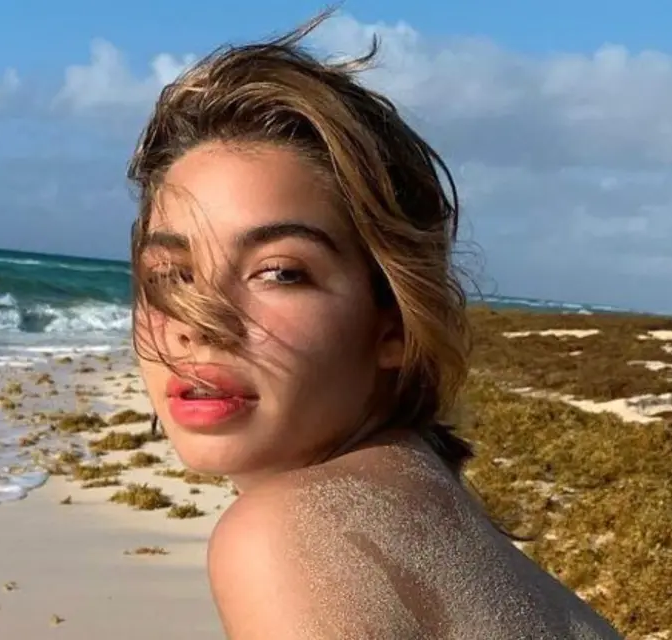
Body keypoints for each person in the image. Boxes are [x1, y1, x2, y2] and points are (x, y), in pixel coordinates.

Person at [127, 9, 622, 639]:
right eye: (171, 274)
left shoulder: (288, 541)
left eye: (279, 272)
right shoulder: (450, 529)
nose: (199, 324)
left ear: (394, 325)